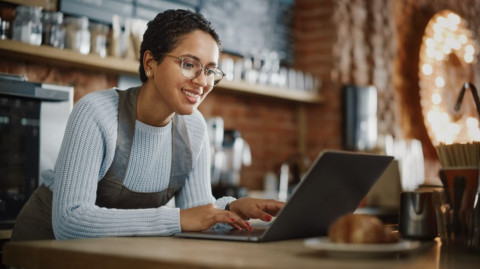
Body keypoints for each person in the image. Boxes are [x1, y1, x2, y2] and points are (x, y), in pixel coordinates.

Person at [10, 9, 284, 241]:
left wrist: (236, 208)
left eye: (211, 70)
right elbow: (70, 223)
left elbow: (196, 213)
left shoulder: (195, 127)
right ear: (151, 63)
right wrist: (177, 219)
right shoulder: (96, 113)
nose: (202, 82)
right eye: (190, 64)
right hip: (41, 252)